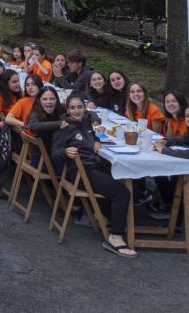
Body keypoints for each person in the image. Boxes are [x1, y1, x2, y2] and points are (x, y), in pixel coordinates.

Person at [52, 95, 136, 258]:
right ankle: (115, 236)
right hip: (81, 172)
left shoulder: (86, 121)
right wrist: (65, 151)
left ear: (84, 108)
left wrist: (96, 140)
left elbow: (89, 136)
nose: (76, 111)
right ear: (67, 110)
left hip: (94, 164)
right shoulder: (64, 127)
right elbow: (54, 153)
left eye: (79, 107)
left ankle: (111, 218)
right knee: (123, 193)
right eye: (73, 108)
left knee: (125, 179)